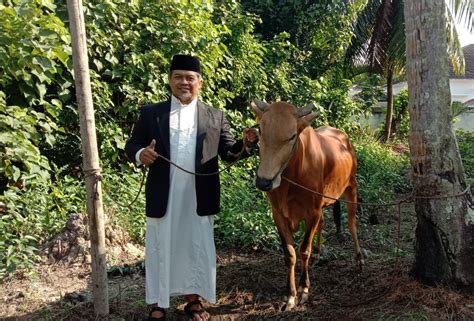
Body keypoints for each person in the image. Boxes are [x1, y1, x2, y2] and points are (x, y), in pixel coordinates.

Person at [125, 54, 259, 321]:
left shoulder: (215, 116)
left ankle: (194, 301)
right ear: (169, 80)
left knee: (195, 247)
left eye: (190, 78)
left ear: (200, 82)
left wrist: (247, 144)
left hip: (200, 196)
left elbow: (229, 152)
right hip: (164, 194)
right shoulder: (152, 113)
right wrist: (141, 155)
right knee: (160, 247)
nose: (183, 82)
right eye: (178, 77)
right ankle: (157, 303)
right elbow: (132, 144)